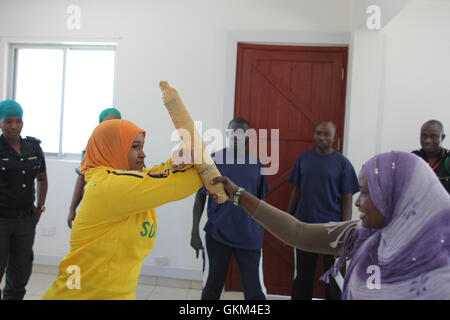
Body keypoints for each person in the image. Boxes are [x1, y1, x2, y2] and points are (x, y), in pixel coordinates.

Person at [210, 150, 450, 299]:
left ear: (397, 198)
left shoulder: (441, 276)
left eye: (365, 194)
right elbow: (299, 233)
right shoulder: (361, 236)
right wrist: (239, 195)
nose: (357, 202)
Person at [42, 119, 202, 299]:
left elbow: (159, 173)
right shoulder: (107, 186)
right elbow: (177, 185)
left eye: (142, 147)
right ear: (111, 148)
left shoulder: (128, 179)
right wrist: (208, 167)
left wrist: (179, 160)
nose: (143, 155)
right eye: (135, 147)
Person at [191, 118, 269, 300]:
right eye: (233, 132)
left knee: (255, 293)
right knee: (211, 289)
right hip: (218, 234)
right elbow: (200, 197)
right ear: (227, 134)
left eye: (241, 134)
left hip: (249, 236)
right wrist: (194, 231)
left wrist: (263, 230)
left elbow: (261, 203)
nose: (237, 137)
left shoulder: (256, 164)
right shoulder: (213, 161)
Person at [286, 120, 359, 300]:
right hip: (305, 227)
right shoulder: (304, 159)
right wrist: (286, 219)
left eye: (326, 134)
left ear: (334, 138)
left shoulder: (343, 164)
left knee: (334, 277)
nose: (321, 137)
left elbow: (347, 200)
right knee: (303, 275)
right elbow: (297, 191)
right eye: (318, 133)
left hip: (332, 230)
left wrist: (346, 230)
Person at [0, 99, 48, 300]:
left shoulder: (33, 147)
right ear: (1, 122)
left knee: (21, 270)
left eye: (18, 121)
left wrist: (40, 207)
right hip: (1, 219)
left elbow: (43, 178)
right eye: (8, 121)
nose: (13, 126)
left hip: (25, 220)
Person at [67, 107, 122, 228]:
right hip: (93, 207)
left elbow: (139, 176)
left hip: (118, 210)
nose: (111, 127)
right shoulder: (91, 149)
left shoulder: (129, 147)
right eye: (107, 124)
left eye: (115, 123)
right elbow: (82, 179)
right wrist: (72, 209)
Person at [412, 120, 450, 193]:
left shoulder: (448, 158)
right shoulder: (413, 158)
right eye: (424, 136)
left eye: (433, 136)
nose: (427, 141)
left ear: (442, 137)